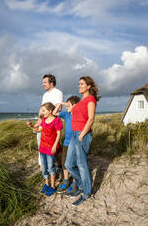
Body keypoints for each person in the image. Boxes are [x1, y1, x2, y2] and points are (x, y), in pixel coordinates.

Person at [65, 76, 100, 206]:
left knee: (81, 164)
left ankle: (86, 193)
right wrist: (62, 105)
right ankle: (81, 185)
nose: (79, 86)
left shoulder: (90, 99)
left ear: (88, 86)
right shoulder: (80, 101)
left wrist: (82, 134)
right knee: (68, 164)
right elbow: (70, 108)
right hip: (74, 134)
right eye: (78, 84)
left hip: (82, 134)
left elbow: (91, 119)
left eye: (82, 84)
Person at [27, 102, 63, 196]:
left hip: (51, 148)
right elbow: (39, 130)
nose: (42, 112)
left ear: (50, 111)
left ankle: (52, 186)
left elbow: (59, 134)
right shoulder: (44, 120)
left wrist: (55, 145)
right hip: (42, 147)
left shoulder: (56, 121)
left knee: (51, 167)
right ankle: (46, 184)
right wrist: (31, 126)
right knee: (44, 168)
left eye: (44, 110)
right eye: (42, 110)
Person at [53, 96, 81, 193]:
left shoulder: (78, 114)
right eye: (66, 105)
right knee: (65, 162)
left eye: (68, 105)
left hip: (75, 142)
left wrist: (67, 104)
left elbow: (79, 107)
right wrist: (60, 104)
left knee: (73, 163)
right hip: (66, 142)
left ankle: (75, 182)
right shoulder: (66, 114)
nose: (66, 107)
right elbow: (54, 113)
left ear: (75, 105)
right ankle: (66, 181)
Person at [34, 74, 63, 167]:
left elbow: (59, 107)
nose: (43, 84)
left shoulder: (57, 92)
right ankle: (43, 165)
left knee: (54, 145)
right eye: (43, 82)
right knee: (41, 141)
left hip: (52, 123)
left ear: (52, 83)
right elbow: (41, 109)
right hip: (43, 122)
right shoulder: (45, 95)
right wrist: (38, 122)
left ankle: (59, 165)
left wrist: (50, 117)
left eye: (45, 82)